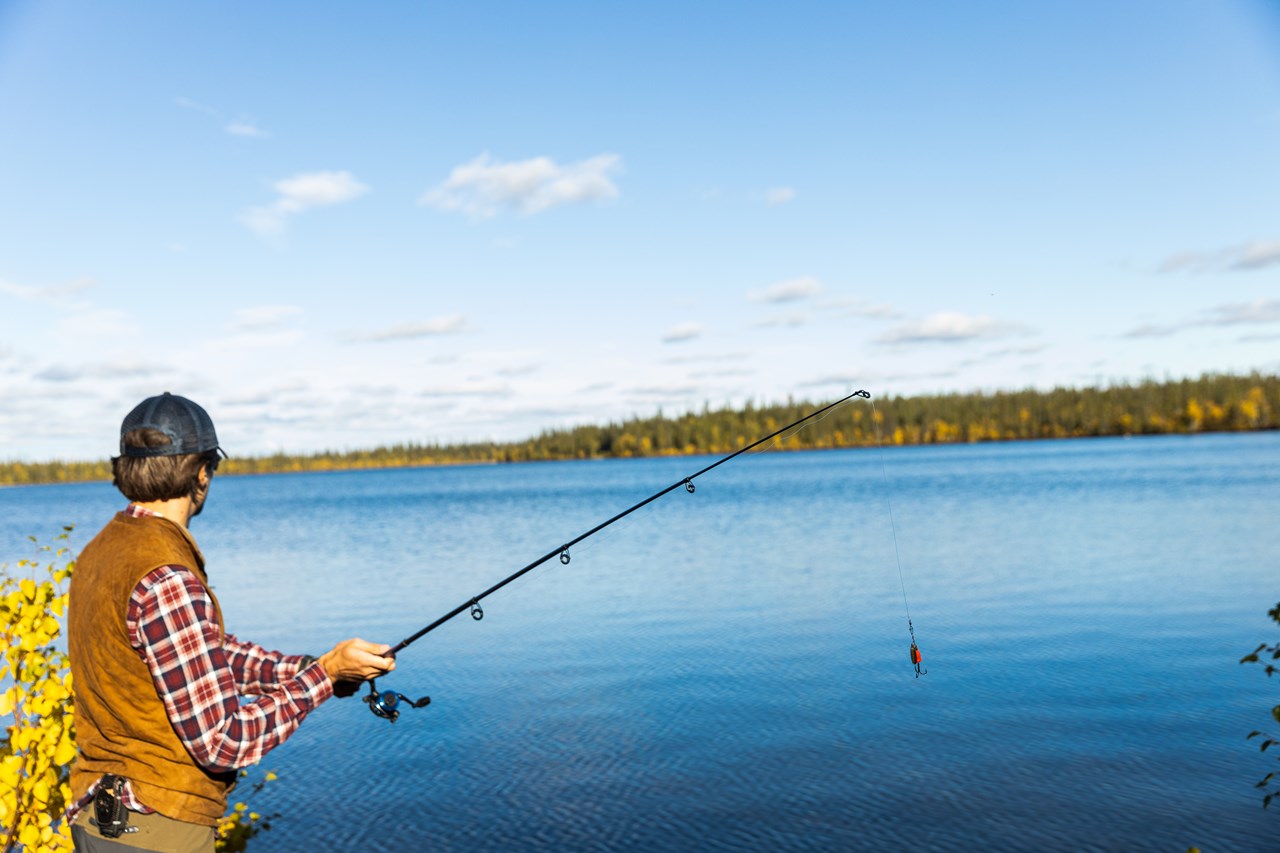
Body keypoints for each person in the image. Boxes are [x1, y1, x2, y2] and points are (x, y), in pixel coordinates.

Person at [66, 392, 394, 852]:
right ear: (202, 473)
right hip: (158, 828)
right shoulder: (166, 576)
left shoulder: (102, 551)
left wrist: (311, 667)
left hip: (100, 814)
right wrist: (324, 677)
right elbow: (224, 741)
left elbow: (199, 652)